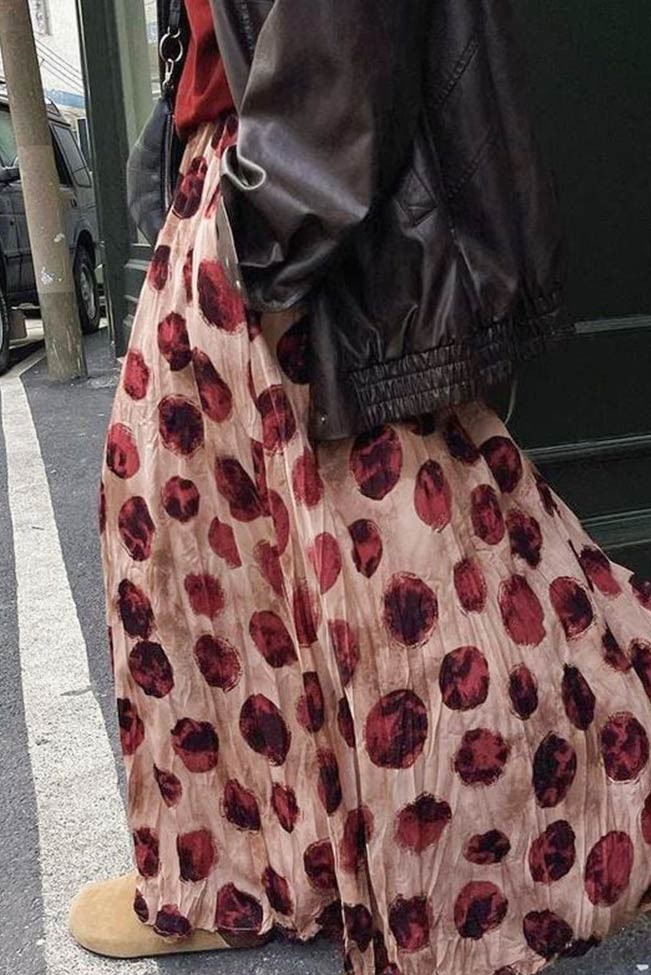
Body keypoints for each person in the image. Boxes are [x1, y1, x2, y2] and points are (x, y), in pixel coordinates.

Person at [69, 0, 651, 972]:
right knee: (226, 551)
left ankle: (567, 816)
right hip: (246, 180)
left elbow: (338, 35)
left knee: (407, 568)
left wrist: (262, 231)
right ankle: (245, 866)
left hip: (278, 201)